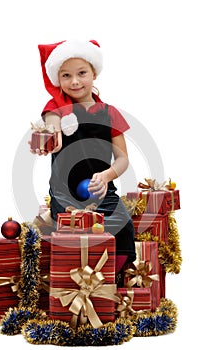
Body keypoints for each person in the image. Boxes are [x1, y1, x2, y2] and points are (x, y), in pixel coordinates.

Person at [33, 39, 136, 284]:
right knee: (76, 231)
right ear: (58, 79)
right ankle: (74, 282)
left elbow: (122, 159)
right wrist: (49, 137)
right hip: (64, 194)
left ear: (94, 73)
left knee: (123, 225)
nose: (75, 81)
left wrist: (107, 175)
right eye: (66, 75)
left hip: (102, 191)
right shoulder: (56, 110)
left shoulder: (110, 113)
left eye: (82, 73)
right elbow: (52, 126)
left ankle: (108, 280)